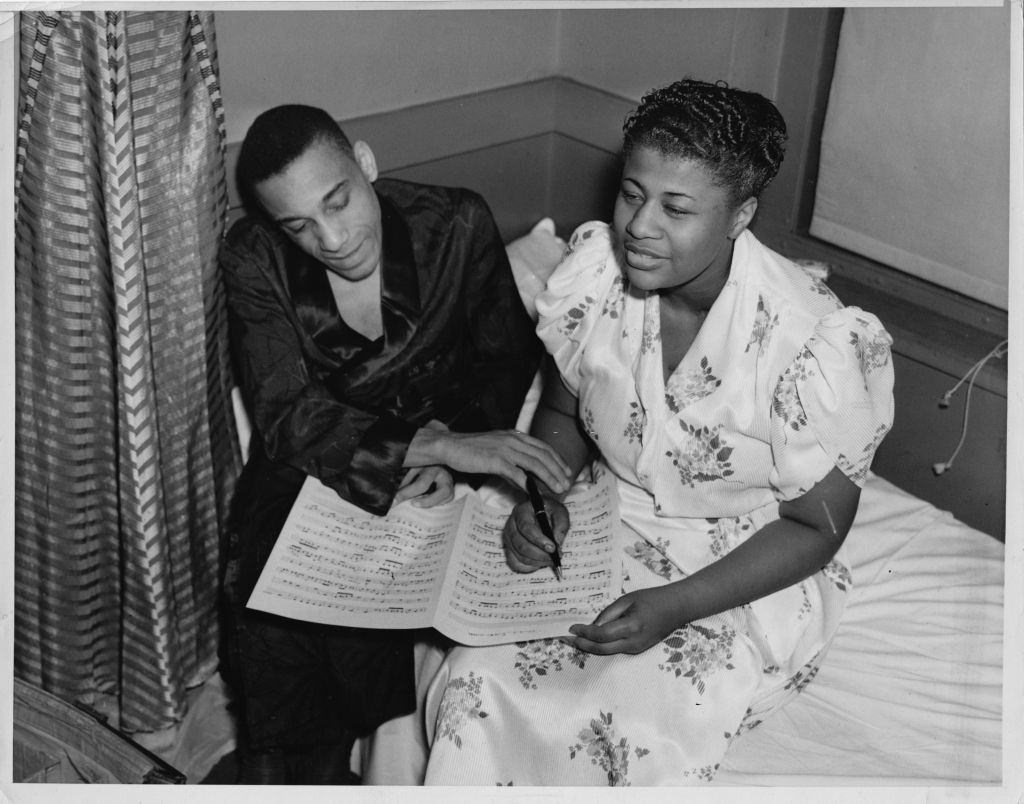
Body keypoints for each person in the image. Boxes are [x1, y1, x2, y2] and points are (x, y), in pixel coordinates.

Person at [421, 78, 895, 786]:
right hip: (602, 526)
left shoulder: (808, 342)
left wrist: (674, 608)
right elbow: (561, 417)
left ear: (741, 214)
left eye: (676, 208)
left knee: (614, 727)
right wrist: (543, 501)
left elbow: (815, 528)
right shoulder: (600, 278)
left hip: (736, 563)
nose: (640, 226)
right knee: (473, 683)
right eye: (633, 194)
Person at [218, 104, 572, 784]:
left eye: (339, 201)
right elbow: (286, 414)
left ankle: (373, 759)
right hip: (319, 454)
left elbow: (504, 357)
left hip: (440, 437)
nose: (331, 237)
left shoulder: (455, 223)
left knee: (382, 611)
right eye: (299, 226)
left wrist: (458, 442)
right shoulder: (252, 257)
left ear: (367, 164)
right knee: (263, 599)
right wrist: (425, 448)